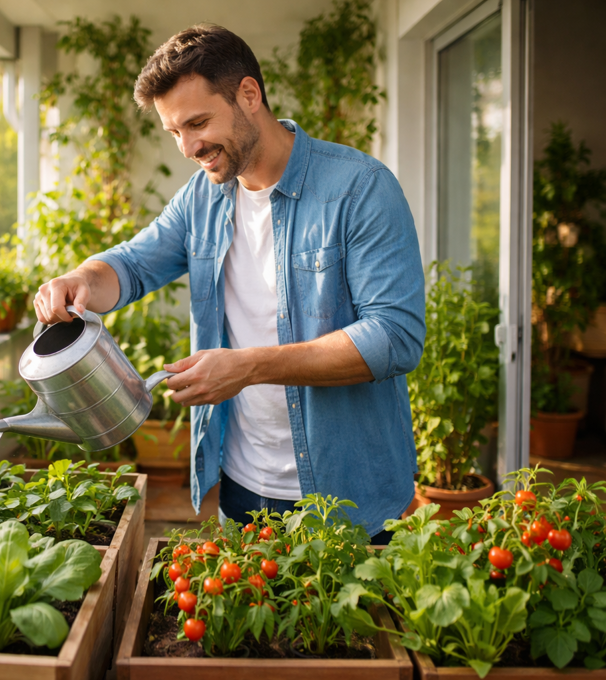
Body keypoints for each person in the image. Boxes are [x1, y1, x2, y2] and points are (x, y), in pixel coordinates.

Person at [32, 24, 425, 542]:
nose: (190, 147)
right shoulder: (204, 197)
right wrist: (82, 277)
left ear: (248, 94)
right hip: (242, 488)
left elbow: (395, 338)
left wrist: (250, 366)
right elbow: (133, 264)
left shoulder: (359, 188)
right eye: (175, 132)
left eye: (198, 123)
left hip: (347, 496)